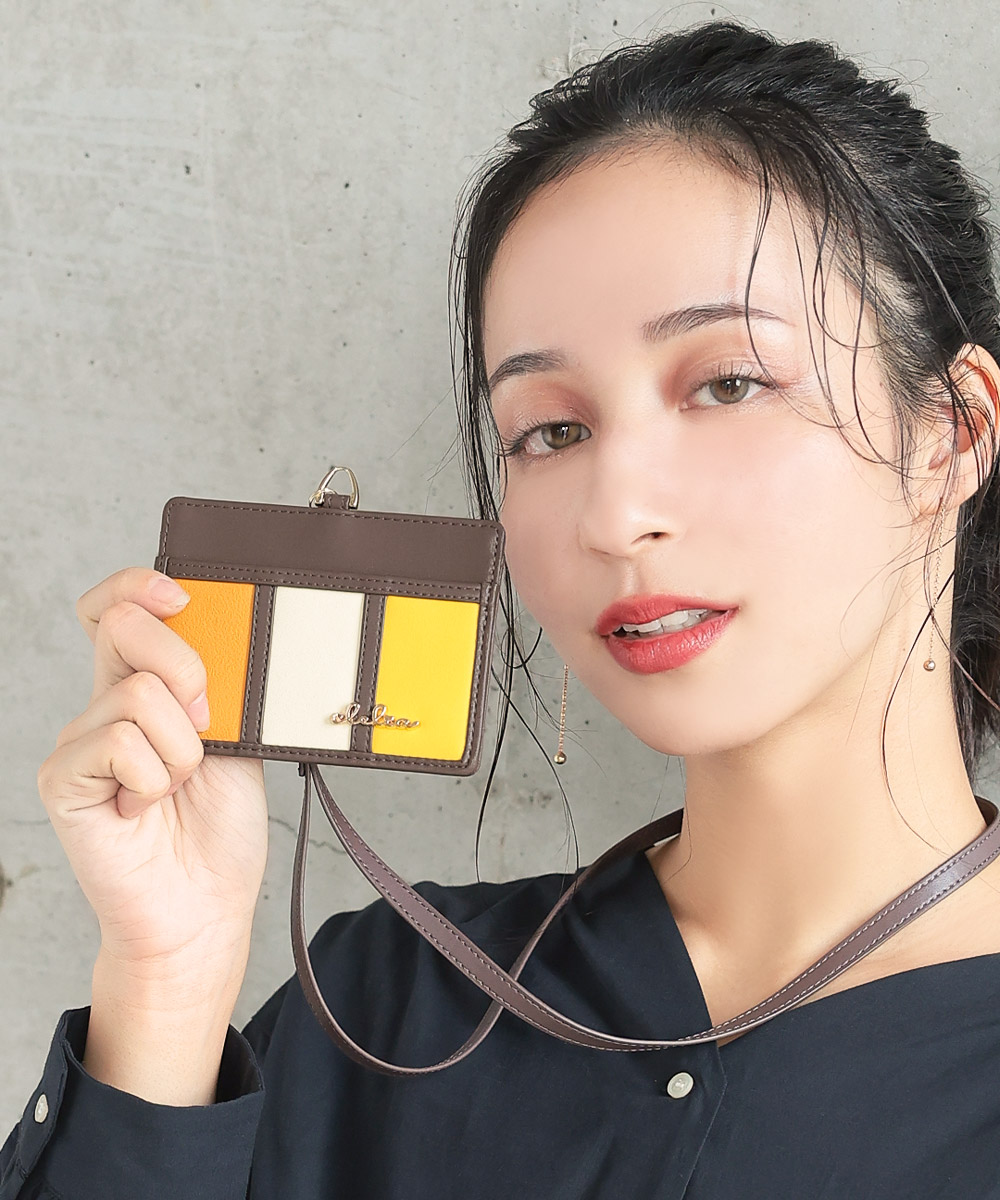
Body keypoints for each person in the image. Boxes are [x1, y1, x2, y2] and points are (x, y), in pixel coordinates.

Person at [4, 17, 1000, 1199]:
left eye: (729, 383)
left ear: (951, 434)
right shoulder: (388, 1003)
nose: (614, 514)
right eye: (551, 430)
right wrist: (165, 983)